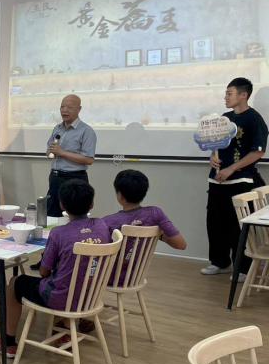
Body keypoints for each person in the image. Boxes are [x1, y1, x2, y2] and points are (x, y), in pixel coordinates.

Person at [0, 179, 111, 359]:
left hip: (62, 298)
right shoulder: (101, 225)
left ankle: (8, 342)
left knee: (15, 282)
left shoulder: (59, 233)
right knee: (71, 277)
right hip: (91, 294)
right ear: (92, 204)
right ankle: (66, 329)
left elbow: (44, 271)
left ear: (62, 205)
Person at [202, 77, 268, 279]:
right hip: (217, 180)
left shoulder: (254, 119)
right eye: (226, 93)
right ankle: (220, 263)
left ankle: (243, 268)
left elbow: (258, 152)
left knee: (237, 226)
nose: (226, 97)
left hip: (241, 181)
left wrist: (231, 169)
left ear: (243, 95)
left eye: (229, 93)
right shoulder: (225, 118)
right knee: (215, 223)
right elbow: (215, 144)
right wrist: (213, 158)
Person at [103, 169, 187, 251]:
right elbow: (181, 245)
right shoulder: (155, 213)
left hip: (116, 261)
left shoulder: (107, 222)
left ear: (120, 196)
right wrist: (157, 235)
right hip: (142, 261)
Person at [45, 94, 97, 217]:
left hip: (75, 179)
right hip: (55, 177)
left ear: (79, 109)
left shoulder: (86, 131)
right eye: (62, 107)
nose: (64, 110)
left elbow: (89, 159)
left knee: (75, 216)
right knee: (52, 214)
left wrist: (62, 152)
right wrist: (51, 152)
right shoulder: (57, 128)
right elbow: (49, 151)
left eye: (69, 107)